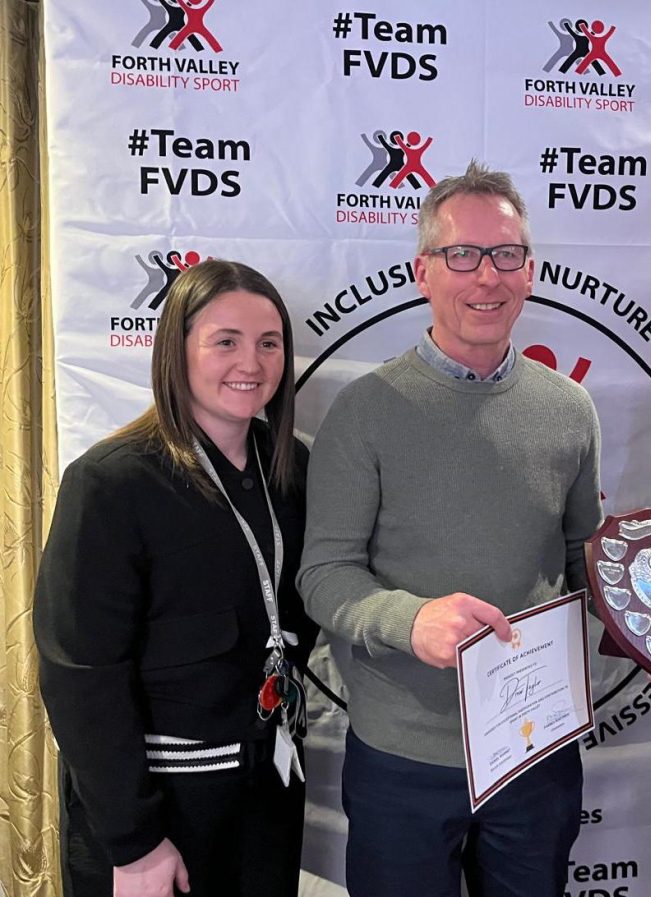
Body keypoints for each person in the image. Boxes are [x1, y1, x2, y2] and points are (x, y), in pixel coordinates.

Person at [298, 160, 602, 897]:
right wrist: (410, 621)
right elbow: (324, 575)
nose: (487, 276)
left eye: (506, 254)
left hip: (534, 748)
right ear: (423, 272)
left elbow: (581, 559)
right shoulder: (364, 411)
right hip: (403, 755)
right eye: (461, 254)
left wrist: (647, 610)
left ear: (530, 271)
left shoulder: (570, 409)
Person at [34, 260, 318, 897]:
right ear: (175, 351)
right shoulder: (112, 481)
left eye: (268, 343)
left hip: (266, 796)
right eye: (225, 342)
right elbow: (80, 674)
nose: (251, 363)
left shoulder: (291, 468)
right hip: (161, 814)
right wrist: (133, 841)